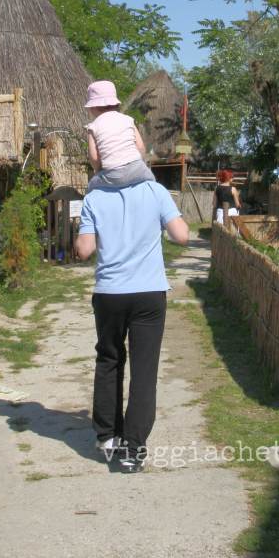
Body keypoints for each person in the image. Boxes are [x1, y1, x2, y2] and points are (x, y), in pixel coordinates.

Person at [75, 179, 189, 473]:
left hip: (110, 294)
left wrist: (86, 233)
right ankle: (132, 450)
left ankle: (108, 437)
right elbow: (182, 235)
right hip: (148, 294)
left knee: (109, 360)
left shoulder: (94, 196)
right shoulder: (156, 191)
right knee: (144, 370)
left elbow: (84, 250)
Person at [84, 80, 155, 191]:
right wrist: (140, 163)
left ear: (92, 108)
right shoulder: (128, 120)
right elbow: (141, 147)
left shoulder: (93, 126)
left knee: (92, 186)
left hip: (113, 173)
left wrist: (98, 171)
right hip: (137, 168)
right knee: (152, 182)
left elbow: (94, 157)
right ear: (116, 103)